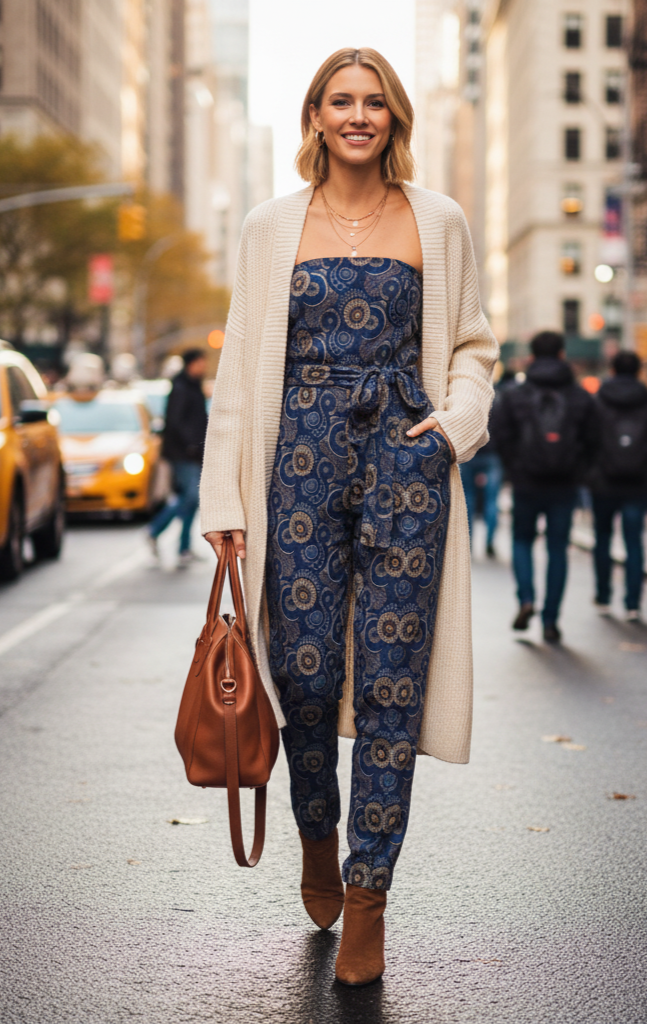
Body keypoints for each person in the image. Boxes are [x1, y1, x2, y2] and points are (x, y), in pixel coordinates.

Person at [198, 49, 497, 987]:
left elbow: (475, 347)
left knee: (393, 684)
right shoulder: (268, 226)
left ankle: (369, 894)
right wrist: (225, 500)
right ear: (317, 117)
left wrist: (450, 430)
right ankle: (317, 834)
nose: (358, 116)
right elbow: (242, 369)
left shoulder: (438, 219)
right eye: (342, 102)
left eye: (374, 102)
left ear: (393, 117)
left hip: (405, 457)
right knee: (306, 669)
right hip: (298, 457)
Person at [493, 331, 598, 643]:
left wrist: (514, 468)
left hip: (526, 481)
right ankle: (551, 619)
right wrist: (579, 469)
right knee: (557, 550)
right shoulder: (580, 396)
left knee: (522, 541)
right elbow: (593, 440)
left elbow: (499, 434)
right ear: (563, 355)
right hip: (564, 483)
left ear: (532, 357)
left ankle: (526, 598)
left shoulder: (515, 394)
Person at [588, 351, 647, 620]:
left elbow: (587, 440)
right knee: (634, 542)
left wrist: (590, 472)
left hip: (604, 482)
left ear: (612, 370)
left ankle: (603, 596)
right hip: (639, 482)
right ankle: (633, 603)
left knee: (602, 539)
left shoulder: (598, 401)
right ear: (639, 371)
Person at [148, 348, 208, 564]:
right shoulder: (182, 387)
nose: (204, 367)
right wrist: (192, 445)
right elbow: (176, 422)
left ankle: (184, 548)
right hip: (183, 453)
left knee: (191, 500)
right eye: (201, 362)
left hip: (192, 452)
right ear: (191, 364)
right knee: (190, 496)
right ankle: (154, 530)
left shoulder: (192, 386)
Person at [460, 370, 514, 558]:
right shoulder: (498, 400)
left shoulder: (465, 399)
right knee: (492, 501)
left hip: (469, 454)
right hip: (492, 455)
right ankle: (490, 541)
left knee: (467, 499)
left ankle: (469, 543)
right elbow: (504, 431)